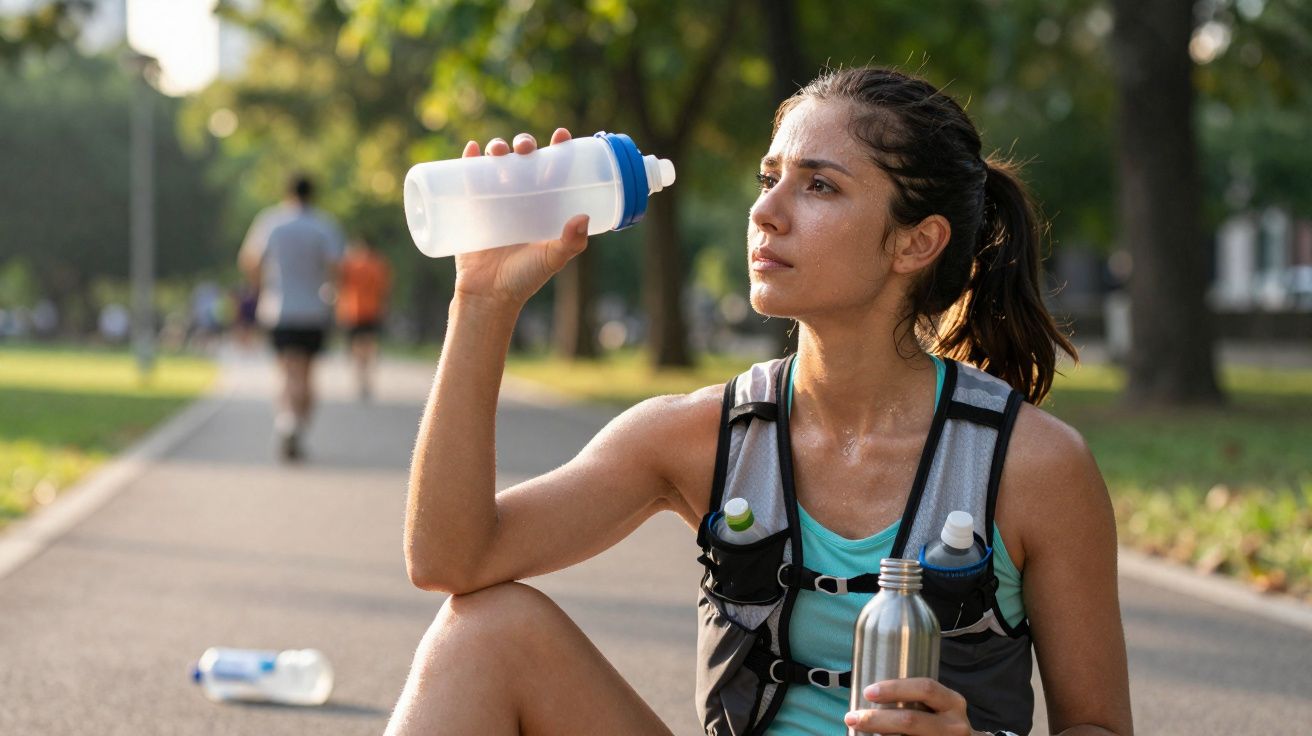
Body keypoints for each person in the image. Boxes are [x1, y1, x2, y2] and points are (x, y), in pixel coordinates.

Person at [386, 67, 1133, 736]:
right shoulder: (699, 436)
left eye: (819, 185)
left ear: (916, 242)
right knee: (483, 629)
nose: (767, 212)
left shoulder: (1032, 467)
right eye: (767, 177)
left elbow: (1098, 725)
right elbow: (453, 557)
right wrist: (481, 301)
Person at [238, 174, 344, 461]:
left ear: (287, 193)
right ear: (313, 195)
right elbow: (336, 267)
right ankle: (299, 426)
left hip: (279, 309)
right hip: (313, 310)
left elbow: (249, 259)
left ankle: (287, 420)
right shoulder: (324, 225)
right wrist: (331, 294)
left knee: (286, 370)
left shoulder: (271, 222)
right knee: (307, 373)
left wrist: (260, 287)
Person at [336, 233, 392, 400]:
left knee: (355, 346)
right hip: (373, 310)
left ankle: (360, 377)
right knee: (369, 344)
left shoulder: (350, 264)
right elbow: (385, 289)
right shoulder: (379, 263)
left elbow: (339, 284)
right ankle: (366, 377)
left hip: (352, 311)